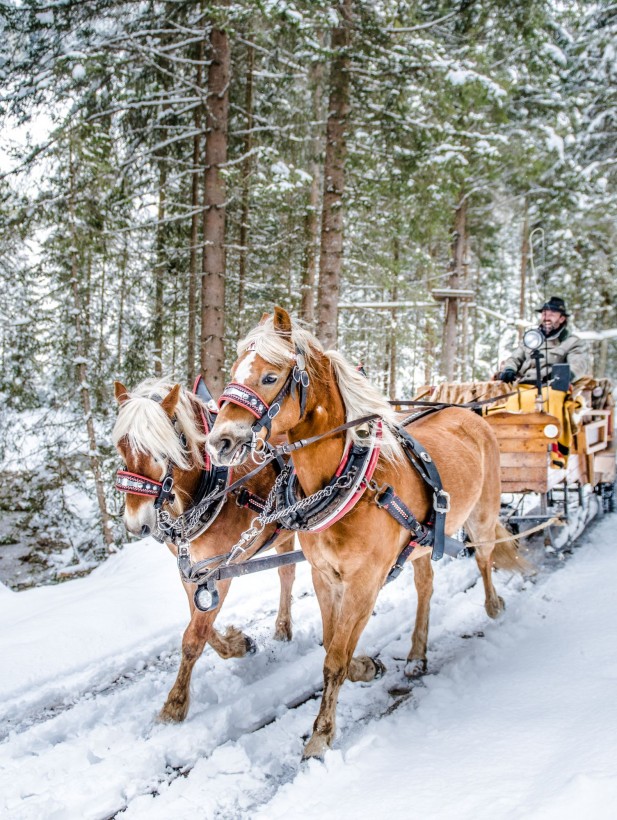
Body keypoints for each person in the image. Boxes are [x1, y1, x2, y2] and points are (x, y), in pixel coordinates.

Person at [497, 296, 587, 385]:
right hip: (523, 384)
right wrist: (509, 369)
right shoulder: (531, 338)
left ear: (562, 319)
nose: (546, 318)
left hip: (551, 387)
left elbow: (578, 365)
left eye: (551, 314)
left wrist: (563, 376)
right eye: (544, 314)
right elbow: (515, 358)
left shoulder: (572, 342)